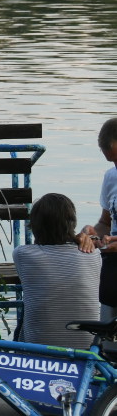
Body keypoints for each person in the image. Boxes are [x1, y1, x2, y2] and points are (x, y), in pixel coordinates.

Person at [14, 193, 100, 348]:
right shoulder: (93, 255)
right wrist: (83, 236)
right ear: (71, 224)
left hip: (39, 351)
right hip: (87, 351)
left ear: (35, 226)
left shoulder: (23, 254)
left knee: (25, 317)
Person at [86, 118, 117, 321]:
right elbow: (105, 222)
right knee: (108, 340)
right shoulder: (111, 176)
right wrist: (93, 234)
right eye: (112, 161)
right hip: (113, 268)